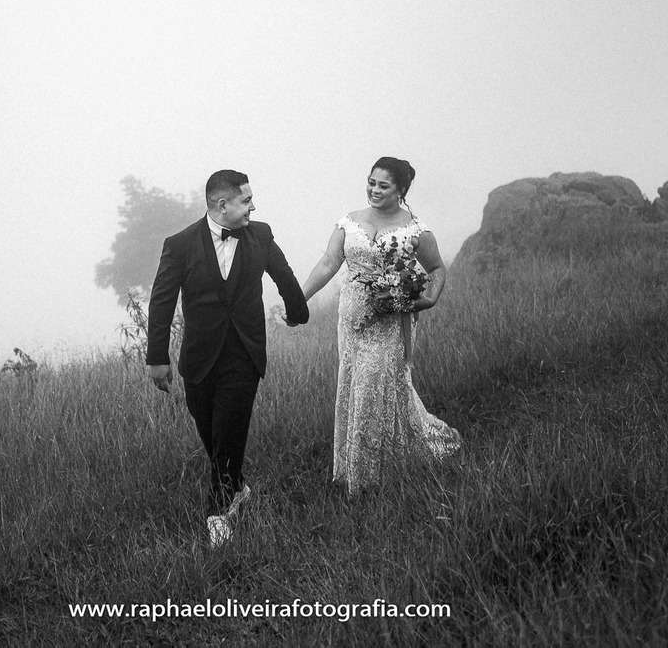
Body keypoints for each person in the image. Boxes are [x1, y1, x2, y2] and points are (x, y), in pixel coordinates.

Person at [147, 169, 309, 546]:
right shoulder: (180, 244)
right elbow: (161, 300)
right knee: (211, 431)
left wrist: (297, 312)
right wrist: (157, 357)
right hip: (199, 358)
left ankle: (218, 515)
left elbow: (283, 276)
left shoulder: (261, 234)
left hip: (244, 351)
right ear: (223, 204)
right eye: (246, 200)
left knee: (228, 430)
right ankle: (236, 488)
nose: (254, 206)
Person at [300, 157, 461, 495]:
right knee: (353, 383)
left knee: (376, 382)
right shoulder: (349, 221)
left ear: (400, 190)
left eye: (383, 185)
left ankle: (368, 479)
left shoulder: (416, 230)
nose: (374, 189)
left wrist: (428, 299)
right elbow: (330, 262)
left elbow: (436, 268)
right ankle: (357, 465)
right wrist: (299, 299)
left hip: (390, 320)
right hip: (352, 319)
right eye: (371, 182)